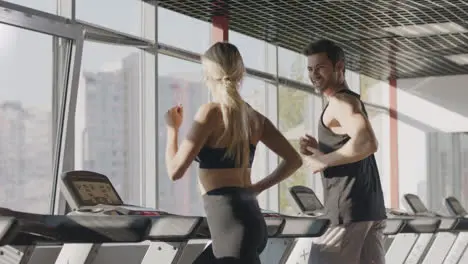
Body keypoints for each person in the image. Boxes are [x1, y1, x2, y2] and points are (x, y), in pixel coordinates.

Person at [164, 42, 303, 264]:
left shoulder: (210, 112)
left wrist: (172, 129)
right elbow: (294, 160)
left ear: (208, 74)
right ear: (241, 73)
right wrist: (256, 189)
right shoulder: (255, 118)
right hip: (251, 221)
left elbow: (175, 171)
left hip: (231, 230)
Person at [299, 39, 387, 264]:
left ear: (339, 67)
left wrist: (325, 160)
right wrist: (320, 151)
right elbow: (355, 148)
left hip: (347, 211)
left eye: (320, 68)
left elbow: (368, 143)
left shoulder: (340, 102)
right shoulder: (351, 100)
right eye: (310, 69)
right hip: (369, 209)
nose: (314, 74)